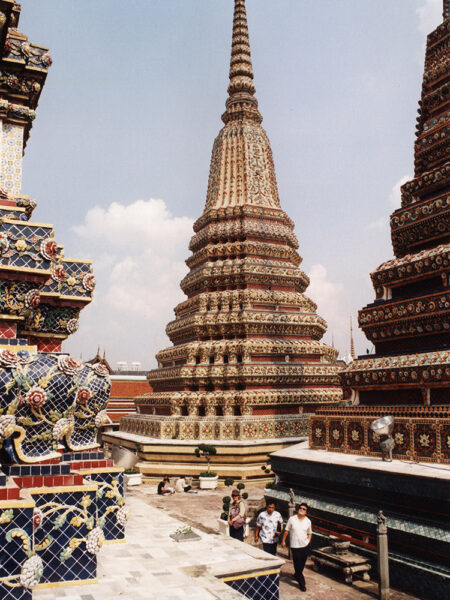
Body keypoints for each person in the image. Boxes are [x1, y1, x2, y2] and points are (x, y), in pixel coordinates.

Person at [281, 502, 312, 592]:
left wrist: (308, 541)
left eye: (304, 509)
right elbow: (286, 531)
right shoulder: (292, 519)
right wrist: (283, 541)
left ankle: (296, 575)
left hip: (305, 546)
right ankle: (302, 583)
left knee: (301, 564)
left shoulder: (308, 521)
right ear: (298, 509)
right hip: (295, 546)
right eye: (300, 508)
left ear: (306, 512)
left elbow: (310, 533)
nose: (302, 510)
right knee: (297, 564)